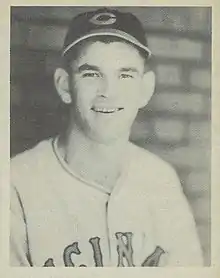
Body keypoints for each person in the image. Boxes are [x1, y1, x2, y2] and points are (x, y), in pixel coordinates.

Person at [10, 8, 203, 267]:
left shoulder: (162, 180)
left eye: (125, 75)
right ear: (65, 85)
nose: (109, 92)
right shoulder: (15, 184)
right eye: (91, 74)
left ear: (145, 89)